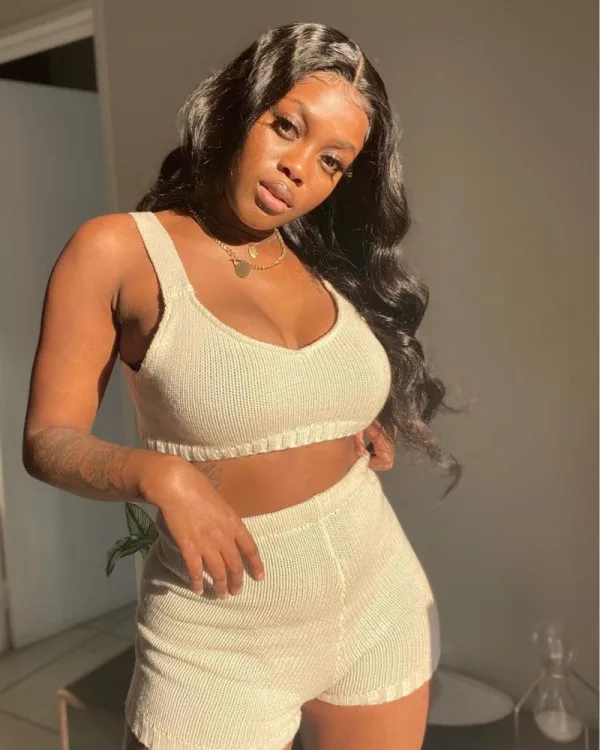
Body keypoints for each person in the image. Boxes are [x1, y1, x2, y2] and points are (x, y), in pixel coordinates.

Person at [22, 21, 461, 750]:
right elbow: (47, 440)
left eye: (331, 161)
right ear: (239, 105)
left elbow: (291, 388)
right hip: (218, 638)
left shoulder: (320, 262)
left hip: (376, 599)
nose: (298, 168)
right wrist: (161, 475)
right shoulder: (119, 250)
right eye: (287, 126)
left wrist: (351, 415)